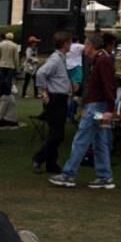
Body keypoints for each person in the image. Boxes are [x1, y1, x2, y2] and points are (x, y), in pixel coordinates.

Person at [49, 33, 116, 189]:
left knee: (81, 139)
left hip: (97, 106)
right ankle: (104, 175)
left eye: (86, 44)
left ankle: (68, 174)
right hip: (97, 105)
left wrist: (109, 109)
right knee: (99, 141)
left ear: (91, 46)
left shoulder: (101, 61)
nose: (84, 48)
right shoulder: (99, 60)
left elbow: (108, 86)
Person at [32, 31, 72, 173]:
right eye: (69, 42)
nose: (71, 45)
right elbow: (41, 73)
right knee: (57, 135)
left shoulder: (60, 58)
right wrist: (44, 91)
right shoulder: (55, 59)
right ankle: (39, 158)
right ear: (65, 43)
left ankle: (51, 163)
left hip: (59, 97)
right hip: (56, 98)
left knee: (55, 132)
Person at [0, 31, 20, 96]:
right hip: (11, 66)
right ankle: (8, 93)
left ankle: (1, 92)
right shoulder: (15, 46)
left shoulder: (1, 44)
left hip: (2, 64)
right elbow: (16, 58)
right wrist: (17, 67)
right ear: (12, 38)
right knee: (9, 80)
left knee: (1, 79)